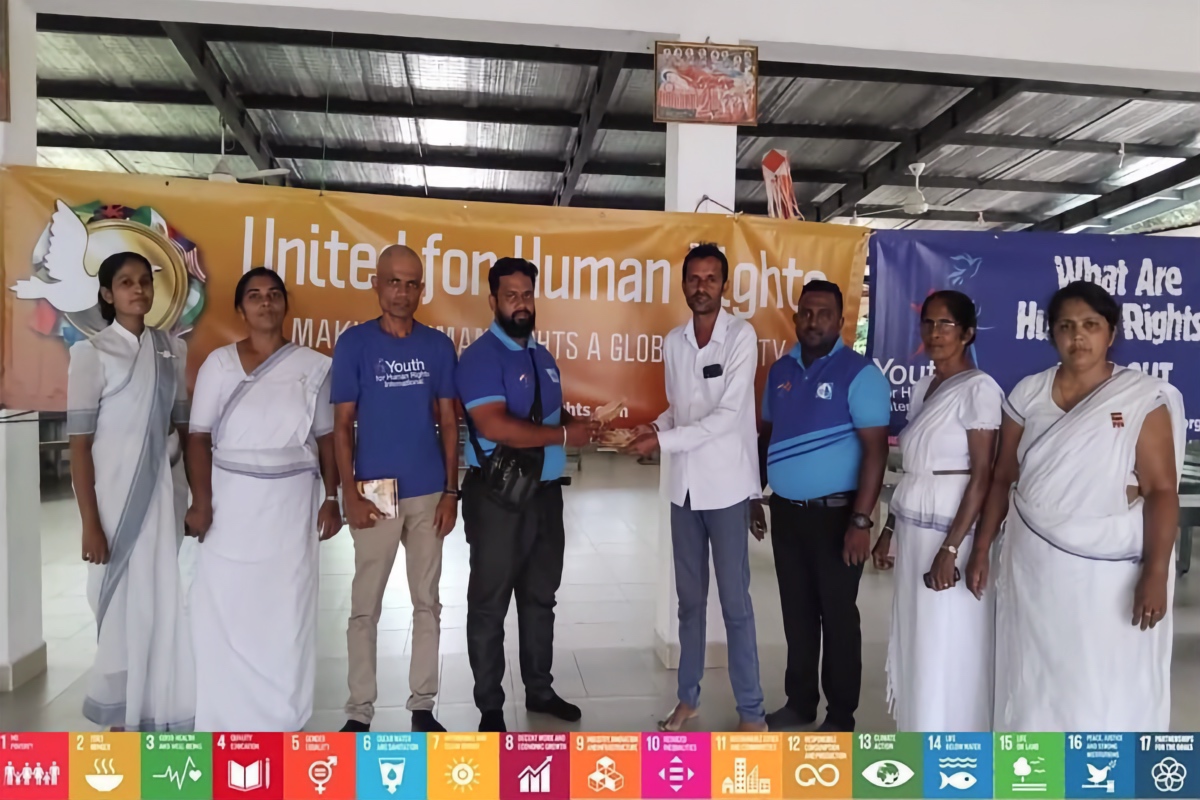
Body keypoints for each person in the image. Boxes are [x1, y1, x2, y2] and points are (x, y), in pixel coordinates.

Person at [970, 280, 1183, 732]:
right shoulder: (1028, 393)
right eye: (1065, 326)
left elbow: (1162, 491)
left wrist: (1156, 572)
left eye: (1090, 325)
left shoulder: (1139, 398)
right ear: (1051, 334)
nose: (1078, 336)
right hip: (1034, 567)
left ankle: (1104, 763)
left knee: (1100, 680)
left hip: (1108, 573)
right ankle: (1036, 760)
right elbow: (1003, 477)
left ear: (1111, 332)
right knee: (1035, 676)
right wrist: (981, 547)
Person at [185, 267, 340, 731]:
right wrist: (201, 503)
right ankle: (223, 717)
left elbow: (327, 438)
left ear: (285, 304)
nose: (265, 302)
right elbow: (198, 437)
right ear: (240, 309)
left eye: (273, 294)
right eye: (254, 295)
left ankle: (283, 719)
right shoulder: (218, 364)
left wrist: (332, 497)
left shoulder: (313, 367)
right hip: (230, 507)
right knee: (224, 606)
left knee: (287, 611)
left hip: (290, 507)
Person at [627, 244, 767, 733]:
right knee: (689, 603)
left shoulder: (741, 336)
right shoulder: (675, 341)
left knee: (735, 605)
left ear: (724, 285)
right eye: (694, 278)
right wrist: (653, 428)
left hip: (726, 488)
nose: (701, 286)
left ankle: (752, 711)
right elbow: (678, 409)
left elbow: (727, 417)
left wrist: (663, 440)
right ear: (684, 284)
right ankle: (688, 699)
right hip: (683, 490)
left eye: (710, 278)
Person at [456, 257, 594, 733]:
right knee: (490, 603)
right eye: (510, 295)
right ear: (492, 300)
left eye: (527, 295)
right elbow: (494, 425)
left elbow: (550, 417)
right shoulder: (480, 358)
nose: (521, 304)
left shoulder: (543, 356)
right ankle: (491, 708)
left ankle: (540, 689)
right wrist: (563, 437)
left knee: (540, 598)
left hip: (545, 497)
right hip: (497, 500)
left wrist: (577, 425)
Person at [332, 245, 459, 734]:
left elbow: (449, 421)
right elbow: (342, 425)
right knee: (365, 606)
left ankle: (422, 707)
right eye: (393, 282)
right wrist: (348, 492)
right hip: (375, 491)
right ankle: (358, 712)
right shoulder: (354, 344)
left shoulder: (437, 346)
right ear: (376, 284)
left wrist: (451, 491)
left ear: (421, 289)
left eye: (411, 284)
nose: (402, 292)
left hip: (428, 490)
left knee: (427, 602)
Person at [67, 251, 194, 731]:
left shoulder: (172, 350)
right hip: (112, 503)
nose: (138, 289)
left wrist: (194, 498)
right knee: (117, 602)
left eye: (144, 281)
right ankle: (122, 711)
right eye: (126, 282)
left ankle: (155, 707)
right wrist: (90, 524)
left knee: (157, 599)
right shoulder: (92, 354)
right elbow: (80, 446)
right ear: (107, 293)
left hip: (160, 499)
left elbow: (183, 430)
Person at [759, 280, 890, 732]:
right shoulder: (780, 371)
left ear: (840, 321)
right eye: (807, 313)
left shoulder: (860, 374)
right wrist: (756, 494)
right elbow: (767, 435)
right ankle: (800, 703)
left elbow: (876, 451)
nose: (813, 321)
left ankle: (840, 715)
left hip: (839, 517)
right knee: (796, 614)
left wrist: (861, 521)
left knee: (837, 618)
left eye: (824, 314)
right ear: (796, 317)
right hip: (787, 512)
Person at [871, 290, 1001, 732]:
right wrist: (889, 529)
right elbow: (915, 468)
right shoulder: (924, 386)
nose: (934, 332)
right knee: (919, 633)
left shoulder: (979, 389)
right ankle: (919, 727)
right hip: (914, 528)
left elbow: (982, 476)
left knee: (950, 636)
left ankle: (955, 735)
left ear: (967, 333)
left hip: (951, 533)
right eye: (928, 323)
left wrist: (951, 549)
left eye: (946, 324)